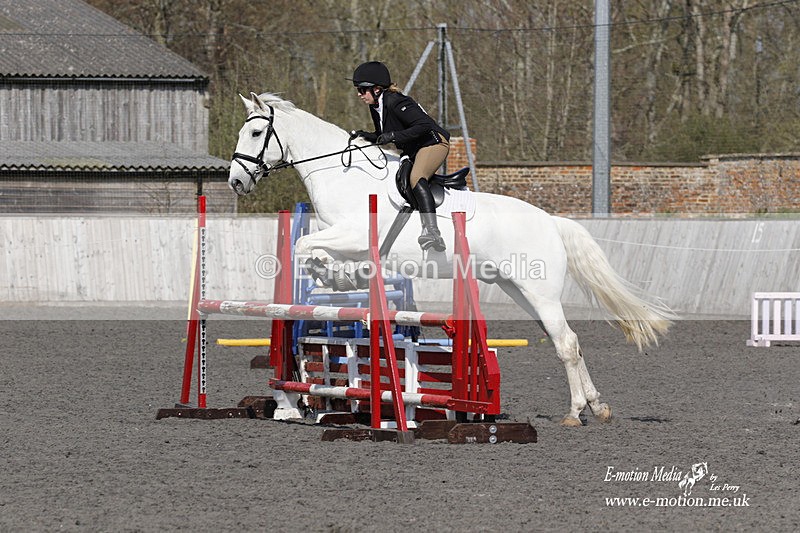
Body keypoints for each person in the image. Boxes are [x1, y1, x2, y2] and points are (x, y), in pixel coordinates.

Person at [349, 61, 450, 252]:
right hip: (413, 149)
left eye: (362, 90)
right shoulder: (376, 106)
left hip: (434, 142)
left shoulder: (396, 102)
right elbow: (382, 134)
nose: (359, 95)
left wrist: (393, 136)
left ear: (377, 89)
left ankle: (432, 231)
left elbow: (424, 125)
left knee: (415, 177)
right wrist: (365, 136)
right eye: (358, 90)